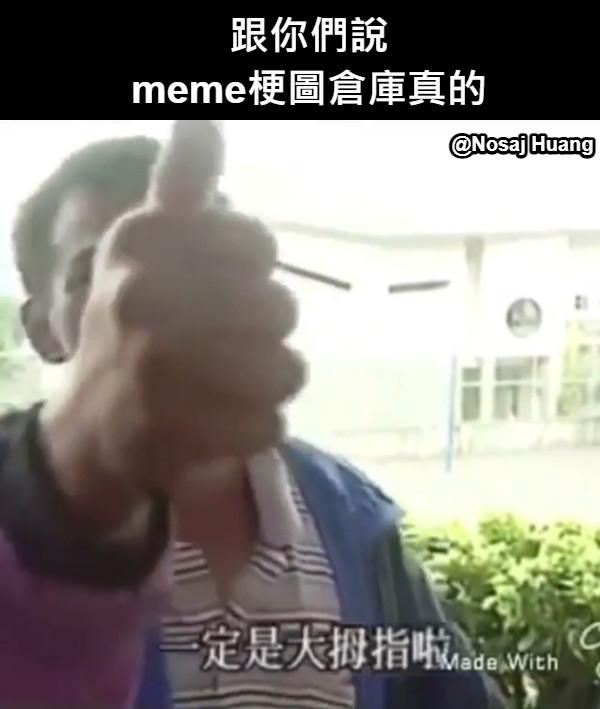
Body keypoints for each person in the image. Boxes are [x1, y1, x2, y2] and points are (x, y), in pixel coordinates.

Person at [0, 121, 506, 708]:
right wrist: (68, 500)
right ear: (41, 330)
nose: (159, 298)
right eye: (95, 274)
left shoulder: (352, 517)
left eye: (199, 259)